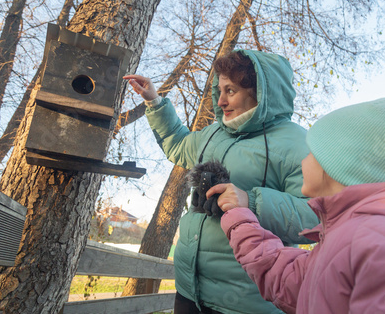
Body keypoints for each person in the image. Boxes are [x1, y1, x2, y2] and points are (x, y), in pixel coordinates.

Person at [212, 98, 385, 313]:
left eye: (311, 152)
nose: (303, 160)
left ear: (338, 166)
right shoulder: (356, 234)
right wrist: (239, 218)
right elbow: (291, 281)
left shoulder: (380, 241)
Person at [123, 49, 319, 313]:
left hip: (247, 302)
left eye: (231, 91)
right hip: (188, 291)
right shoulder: (215, 133)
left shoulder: (297, 143)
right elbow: (179, 145)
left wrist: (251, 201)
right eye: (219, 90)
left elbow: (316, 216)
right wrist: (155, 102)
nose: (221, 101)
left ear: (260, 93)